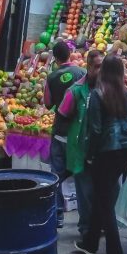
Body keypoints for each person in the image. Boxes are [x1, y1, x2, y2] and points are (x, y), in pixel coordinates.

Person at [74, 55, 127, 254]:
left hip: (106, 152)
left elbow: (96, 129)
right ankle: (90, 243)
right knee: (104, 197)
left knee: (105, 202)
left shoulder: (97, 94)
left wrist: (90, 156)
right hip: (125, 151)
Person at [57, 49, 103, 238]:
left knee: (99, 192)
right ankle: (86, 229)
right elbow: (62, 117)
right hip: (81, 151)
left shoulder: (108, 89)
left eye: (104, 66)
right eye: (98, 66)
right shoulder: (74, 91)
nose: (101, 71)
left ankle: (98, 225)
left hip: (101, 150)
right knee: (85, 192)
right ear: (89, 67)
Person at [44, 40, 82, 227]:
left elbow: (48, 103)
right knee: (82, 175)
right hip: (80, 133)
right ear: (70, 54)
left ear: (55, 58)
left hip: (60, 132)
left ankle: (58, 214)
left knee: (56, 174)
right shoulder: (82, 73)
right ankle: (86, 218)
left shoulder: (51, 77)